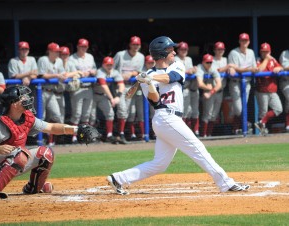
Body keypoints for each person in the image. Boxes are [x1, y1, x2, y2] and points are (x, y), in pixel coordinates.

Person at [106, 36, 250, 195]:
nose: (174, 52)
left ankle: (118, 178)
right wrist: (147, 83)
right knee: (198, 148)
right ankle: (226, 183)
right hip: (165, 117)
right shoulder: (147, 76)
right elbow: (155, 101)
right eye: (170, 50)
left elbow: (170, 78)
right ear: (161, 53)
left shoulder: (177, 66)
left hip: (171, 119)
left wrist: (149, 78)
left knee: (159, 164)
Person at [0, 85, 80, 200]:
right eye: (22, 97)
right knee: (19, 154)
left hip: (14, 161)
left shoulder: (26, 118)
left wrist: (76, 130)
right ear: (14, 104)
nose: (26, 99)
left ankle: (34, 187)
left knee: (45, 153)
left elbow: (51, 127)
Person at [113, 36, 145, 143]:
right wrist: (120, 75)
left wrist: (131, 73)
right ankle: (119, 134)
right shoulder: (120, 55)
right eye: (134, 44)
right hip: (120, 85)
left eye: (137, 44)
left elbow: (140, 72)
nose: (135, 46)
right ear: (130, 45)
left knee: (128, 111)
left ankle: (121, 134)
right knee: (122, 110)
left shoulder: (141, 57)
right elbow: (110, 69)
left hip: (132, 86)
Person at [37, 42, 67, 146]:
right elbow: (41, 75)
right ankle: (40, 140)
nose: (58, 53)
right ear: (49, 51)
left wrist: (62, 76)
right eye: (55, 51)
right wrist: (57, 75)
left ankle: (51, 139)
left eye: (58, 51)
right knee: (41, 117)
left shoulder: (59, 61)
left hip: (52, 92)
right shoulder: (43, 60)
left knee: (57, 116)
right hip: (41, 91)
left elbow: (63, 74)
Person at [227, 33, 258, 134]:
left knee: (243, 107)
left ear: (248, 42)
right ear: (239, 41)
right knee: (238, 109)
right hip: (235, 83)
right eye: (242, 40)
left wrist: (242, 69)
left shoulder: (251, 52)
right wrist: (247, 69)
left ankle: (238, 129)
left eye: (246, 40)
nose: (244, 42)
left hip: (247, 82)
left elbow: (254, 68)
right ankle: (245, 124)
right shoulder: (233, 53)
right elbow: (237, 70)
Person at [69, 38, 97, 143]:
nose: (83, 48)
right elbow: (69, 72)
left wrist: (93, 71)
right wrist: (79, 72)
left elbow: (95, 70)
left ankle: (85, 136)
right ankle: (74, 137)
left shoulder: (90, 57)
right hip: (77, 88)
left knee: (86, 114)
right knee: (76, 114)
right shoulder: (72, 58)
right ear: (77, 46)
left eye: (85, 46)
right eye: (81, 46)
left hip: (88, 88)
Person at [92, 57, 125, 143]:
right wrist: (111, 98)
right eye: (107, 65)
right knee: (90, 117)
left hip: (103, 96)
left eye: (111, 65)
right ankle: (89, 137)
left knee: (110, 114)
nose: (109, 66)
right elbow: (104, 86)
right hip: (92, 95)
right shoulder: (100, 71)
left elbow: (121, 85)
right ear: (103, 65)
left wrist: (118, 96)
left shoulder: (115, 72)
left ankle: (109, 135)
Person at [174, 41, 199, 136]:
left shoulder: (189, 59)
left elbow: (192, 70)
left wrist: (194, 69)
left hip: (189, 87)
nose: (183, 51)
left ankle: (193, 131)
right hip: (180, 88)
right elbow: (176, 72)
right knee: (182, 111)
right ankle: (181, 132)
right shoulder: (175, 59)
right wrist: (188, 71)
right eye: (181, 49)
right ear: (178, 50)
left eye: (185, 49)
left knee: (190, 111)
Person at [196, 54, 222, 137]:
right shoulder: (200, 67)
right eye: (207, 62)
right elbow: (199, 83)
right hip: (206, 91)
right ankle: (203, 135)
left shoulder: (213, 67)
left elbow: (219, 84)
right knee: (207, 114)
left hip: (214, 92)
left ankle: (209, 134)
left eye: (210, 62)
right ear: (203, 62)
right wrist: (207, 87)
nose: (209, 64)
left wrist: (210, 91)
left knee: (214, 115)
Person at [143, 55, 156, 139]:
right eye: (149, 63)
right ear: (145, 63)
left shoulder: (157, 71)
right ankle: (145, 134)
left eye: (152, 63)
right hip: (143, 95)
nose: (151, 64)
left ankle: (154, 133)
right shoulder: (143, 72)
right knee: (142, 114)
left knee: (154, 114)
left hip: (154, 95)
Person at [279, 47, 289, 132]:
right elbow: (285, 67)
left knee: (288, 104)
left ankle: (287, 125)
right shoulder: (285, 53)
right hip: (286, 81)